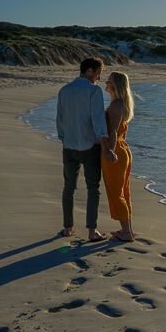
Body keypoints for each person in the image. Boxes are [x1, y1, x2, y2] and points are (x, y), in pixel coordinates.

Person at [56, 57, 117, 241]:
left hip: (69, 146)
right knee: (93, 188)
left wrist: (64, 139)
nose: (98, 78)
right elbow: (98, 121)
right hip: (90, 146)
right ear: (89, 71)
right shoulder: (93, 91)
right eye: (98, 74)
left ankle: (67, 228)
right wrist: (106, 147)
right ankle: (92, 231)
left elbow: (60, 120)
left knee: (69, 187)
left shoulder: (64, 90)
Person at [101, 71, 135, 242]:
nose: (105, 82)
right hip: (124, 150)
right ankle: (127, 229)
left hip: (117, 150)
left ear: (115, 85)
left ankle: (126, 233)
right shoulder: (122, 104)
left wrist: (110, 150)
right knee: (124, 191)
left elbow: (113, 131)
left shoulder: (115, 106)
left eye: (109, 80)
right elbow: (122, 133)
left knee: (116, 192)